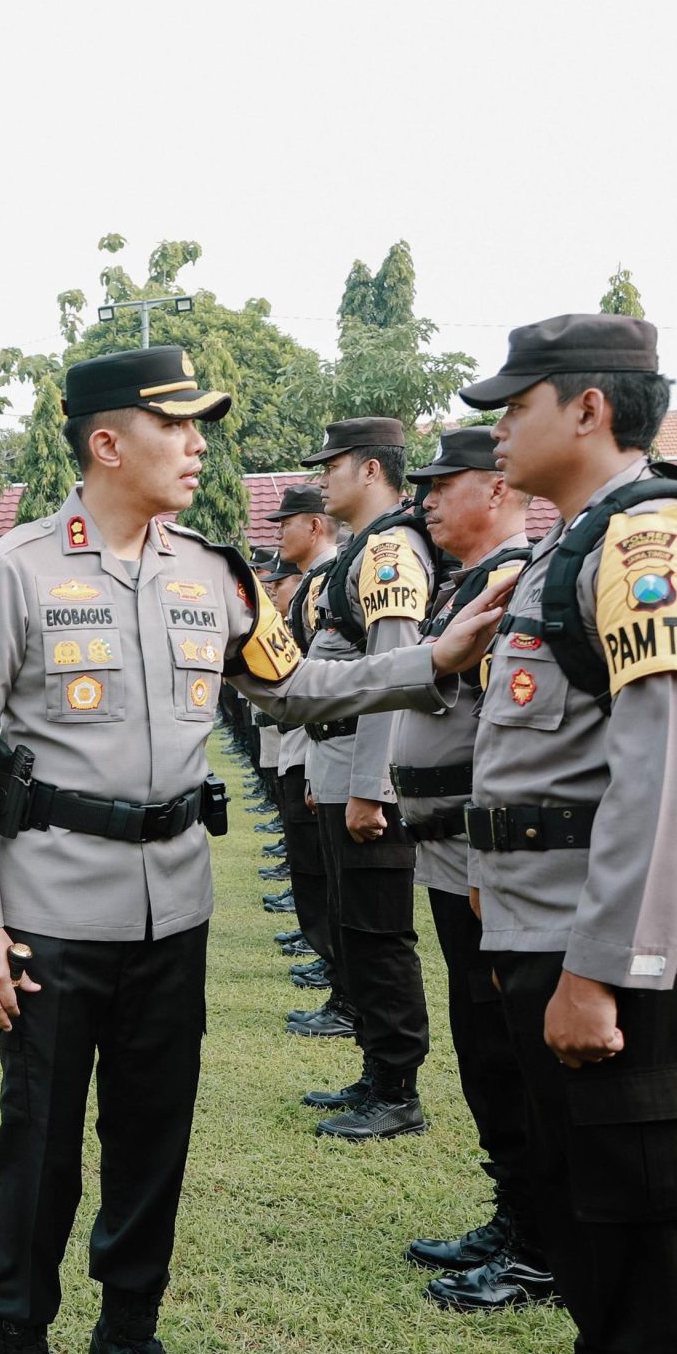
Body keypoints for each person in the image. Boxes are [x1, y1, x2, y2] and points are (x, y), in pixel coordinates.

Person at [0, 345, 506, 1354]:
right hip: (50, 904)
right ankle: (18, 1353)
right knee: (40, 1144)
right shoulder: (13, 569)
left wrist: (432, 657)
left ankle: (127, 1333)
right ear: (107, 440)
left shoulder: (214, 575)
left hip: (173, 904)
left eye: (201, 427)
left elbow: (291, 688)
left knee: (153, 1133)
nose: (199, 446)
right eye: (177, 425)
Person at [453, 316, 677, 1354]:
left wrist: (602, 968)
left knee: (640, 1206)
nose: (496, 425)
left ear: (584, 409)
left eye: (514, 403)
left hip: (616, 951)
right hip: (538, 927)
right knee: (586, 1207)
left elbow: (662, 766)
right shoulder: (573, 543)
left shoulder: (650, 539)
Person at [389, 428, 549, 1311]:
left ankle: (538, 1242)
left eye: (443, 485)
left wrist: (488, 852)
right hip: (451, 853)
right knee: (485, 1049)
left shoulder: (514, 578)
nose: (428, 502)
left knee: (505, 1049)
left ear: (494, 488)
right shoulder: (470, 584)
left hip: (483, 853)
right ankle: (515, 1214)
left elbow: (508, 734)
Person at [286, 418, 437, 1140]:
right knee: (355, 925)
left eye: (333, 464)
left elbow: (391, 676)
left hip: (367, 768)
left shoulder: (392, 551)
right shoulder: (359, 552)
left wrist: (372, 787)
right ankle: (377, 1070)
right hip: (340, 759)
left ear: (372, 470)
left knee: (378, 931)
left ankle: (398, 1089)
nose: (324, 478)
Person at [266, 486, 347, 1036]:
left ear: (314, 526)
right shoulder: (318, 582)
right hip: (306, 739)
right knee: (313, 865)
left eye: (285, 524)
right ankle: (330, 961)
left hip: (326, 742)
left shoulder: (329, 579)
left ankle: (340, 978)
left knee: (330, 876)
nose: (278, 534)